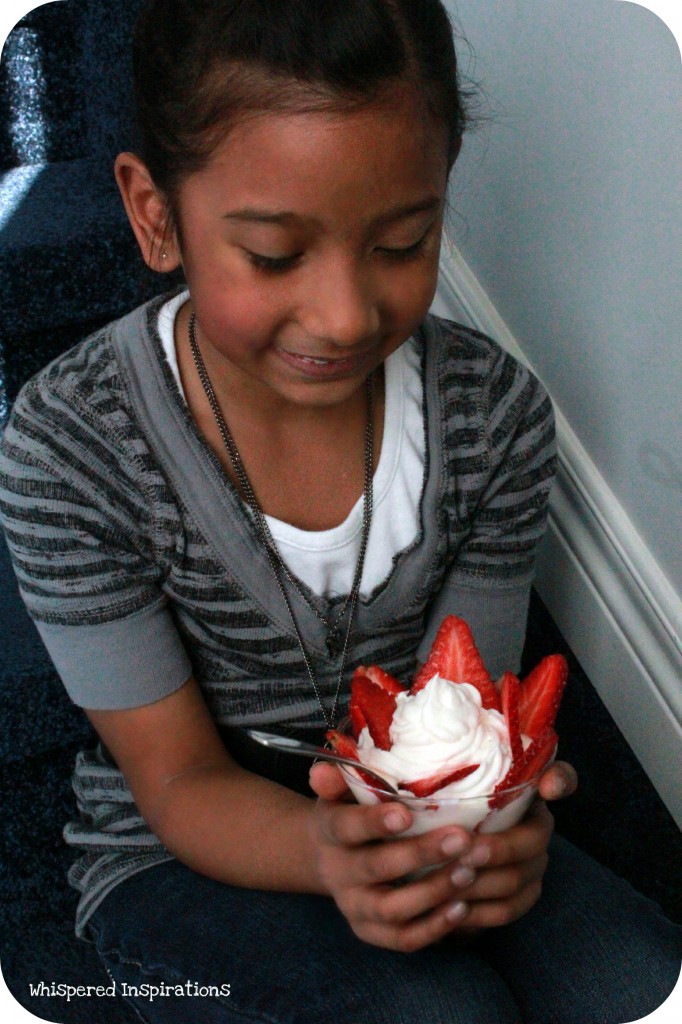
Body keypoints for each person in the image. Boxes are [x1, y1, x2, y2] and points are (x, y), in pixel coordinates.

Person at [0, 1, 679, 1021]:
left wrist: (490, 825)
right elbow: (175, 780)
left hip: (418, 804)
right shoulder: (70, 447)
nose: (346, 315)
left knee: (631, 971)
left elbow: (468, 703)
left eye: (403, 242)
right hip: (182, 841)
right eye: (275, 256)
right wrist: (331, 852)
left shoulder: (492, 416)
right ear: (152, 214)